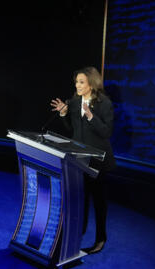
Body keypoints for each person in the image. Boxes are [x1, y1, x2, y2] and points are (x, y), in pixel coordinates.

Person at [50, 66, 116, 254]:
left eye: (81, 82)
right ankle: (79, 231)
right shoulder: (74, 101)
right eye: (76, 82)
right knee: (81, 199)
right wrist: (63, 113)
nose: (77, 85)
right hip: (79, 159)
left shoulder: (104, 103)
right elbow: (72, 130)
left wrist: (90, 116)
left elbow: (107, 132)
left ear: (91, 84)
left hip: (98, 161)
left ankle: (100, 239)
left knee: (99, 201)